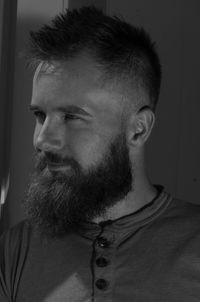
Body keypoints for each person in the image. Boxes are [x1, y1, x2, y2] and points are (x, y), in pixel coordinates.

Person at [1, 6, 200, 302]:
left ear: (138, 129)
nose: (43, 140)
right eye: (40, 115)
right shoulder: (16, 249)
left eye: (72, 116)